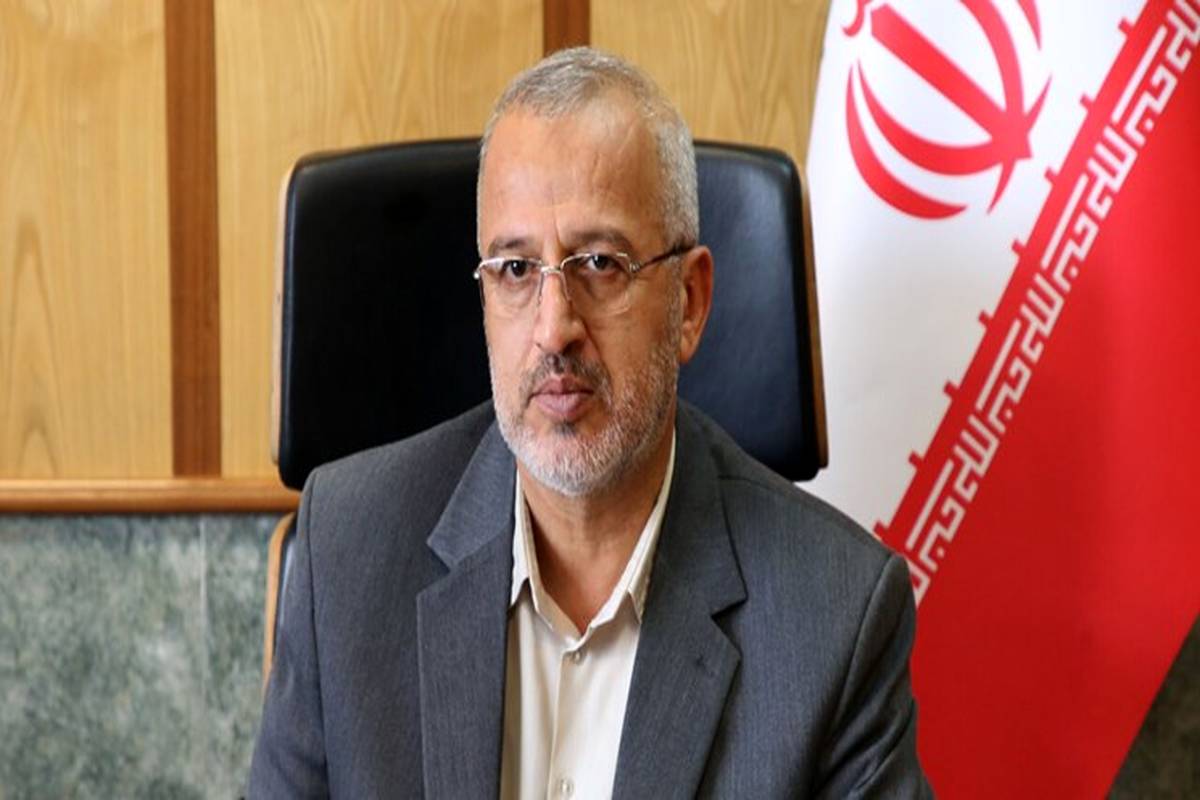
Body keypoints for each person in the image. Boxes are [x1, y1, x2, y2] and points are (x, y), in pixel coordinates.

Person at [249, 47, 929, 798]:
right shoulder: (348, 557)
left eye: (600, 264)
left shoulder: (834, 615)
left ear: (689, 303)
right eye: (515, 270)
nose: (554, 329)